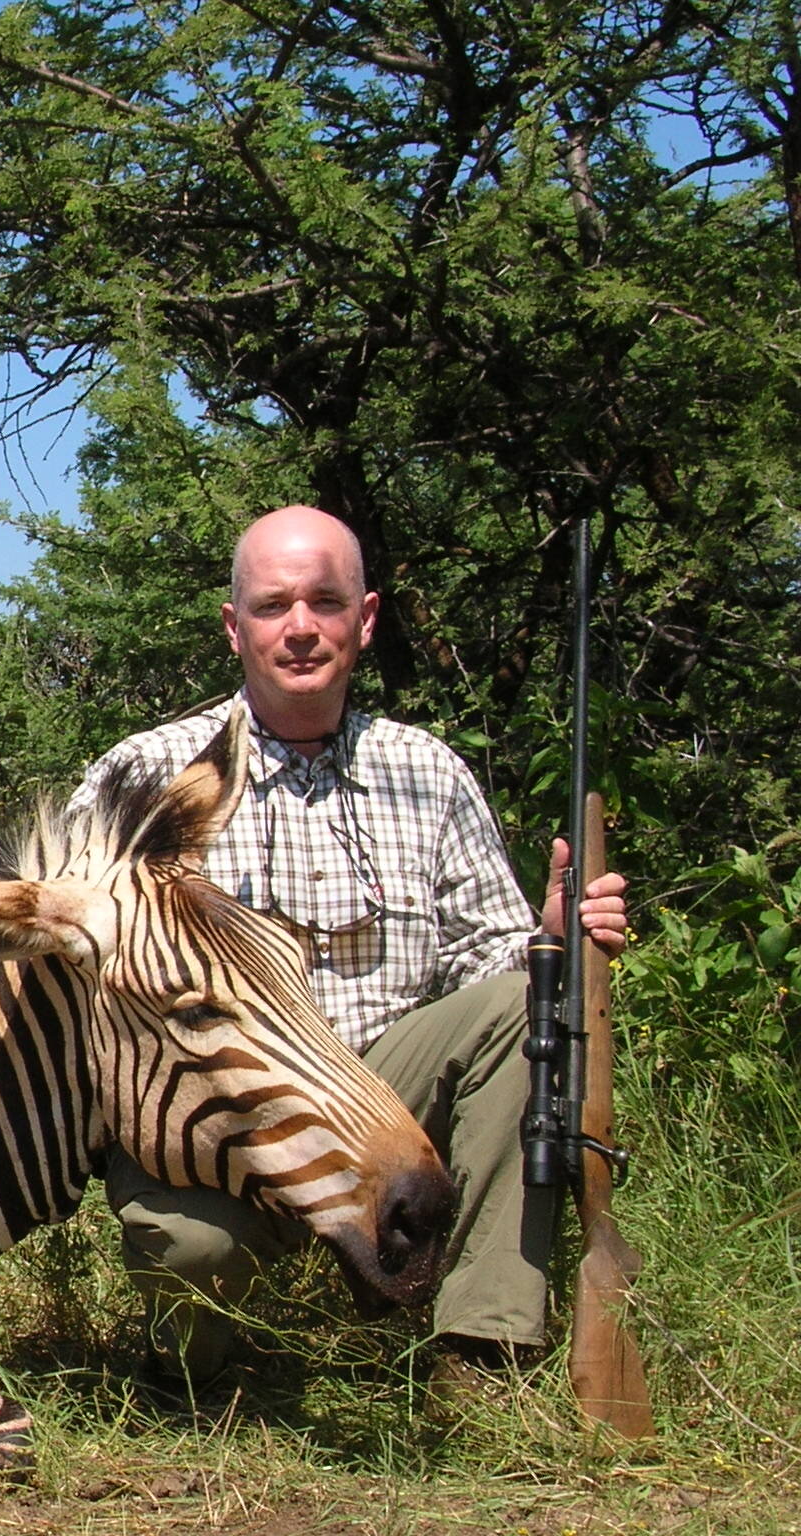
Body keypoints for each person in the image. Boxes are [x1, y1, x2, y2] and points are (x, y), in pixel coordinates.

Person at [70, 505, 629, 1392]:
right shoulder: (144, 777)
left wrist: (553, 940)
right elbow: (67, 994)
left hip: (382, 1101)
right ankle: (194, 1372)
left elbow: (490, 967)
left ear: (364, 620)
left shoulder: (428, 770)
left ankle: (480, 1352)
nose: (299, 629)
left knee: (529, 1006)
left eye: (324, 603)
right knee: (192, 1251)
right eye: (272, 605)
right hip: (226, 1123)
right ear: (233, 627)